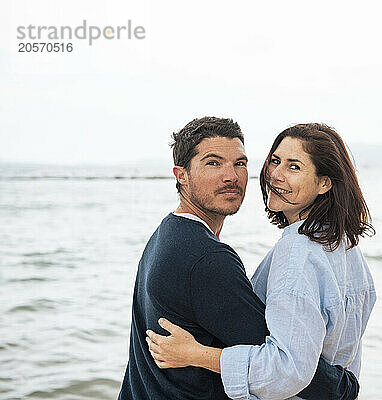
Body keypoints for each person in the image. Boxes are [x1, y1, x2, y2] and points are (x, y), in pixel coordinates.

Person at [118, 117, 360, 400]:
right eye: (213, 163)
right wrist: (344, 387)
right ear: (181, 174)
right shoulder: (206, 259)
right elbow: (288, 367)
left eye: (240, 163)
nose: (231, 176)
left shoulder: (167, 233)